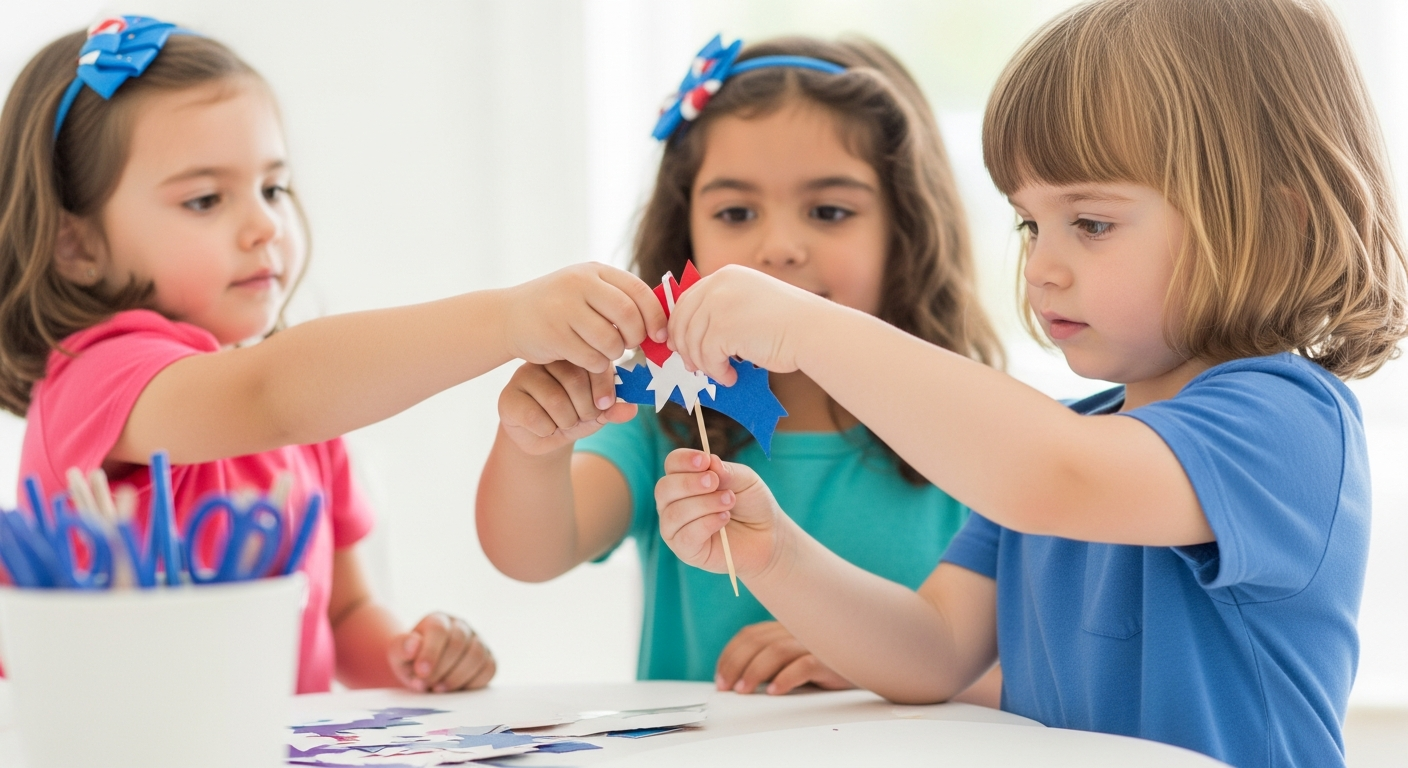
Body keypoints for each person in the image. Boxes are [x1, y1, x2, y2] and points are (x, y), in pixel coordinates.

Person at [653, 1, 1408, 765]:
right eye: (1028, 224)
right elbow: (934, 651)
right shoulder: (1062, 442)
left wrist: (806, 329)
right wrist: (775, 553)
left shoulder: (1286, 423)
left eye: (1091, 223)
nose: (1041, 266)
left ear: (1275, 224)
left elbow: (1054, 472)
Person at [0, 17, 665, 694]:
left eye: (274, 188)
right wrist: (506, 320)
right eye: (205, 200)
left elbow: (343, 615)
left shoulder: (304, 419)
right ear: (75, 246)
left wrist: (412, 657)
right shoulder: (96, 378)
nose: (265, 226)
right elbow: (268, 395)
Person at [477, 35, 1003, 702]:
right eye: (736, 212)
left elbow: (1037, 679)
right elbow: (531, 553)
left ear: (906, 230)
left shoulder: (976, 429)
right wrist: (533, 446)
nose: (778, 247)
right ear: (685, 228)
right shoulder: (661, 418)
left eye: (829, 211)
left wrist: (869, 654)